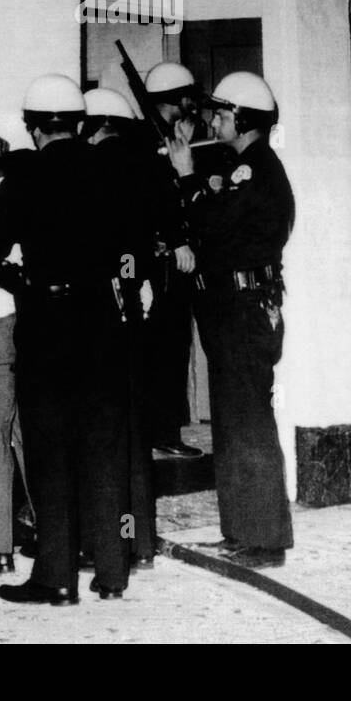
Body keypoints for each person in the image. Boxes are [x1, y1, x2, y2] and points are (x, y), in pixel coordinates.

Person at [0, 74, 133, 605]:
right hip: (103, 320)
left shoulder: (25, 178)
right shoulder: (110, 170)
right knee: (103, 446)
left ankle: (56, 576)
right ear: (79, 123)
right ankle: (111, 571)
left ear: (34, 128)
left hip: (49, 323)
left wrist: (23, 281)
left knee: (50, 451)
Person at [167, 71, 294, 569]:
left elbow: (212, 226)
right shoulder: (243, 167)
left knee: (248, 423)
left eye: (222, 113)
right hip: (233, 309)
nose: (214, 120)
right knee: (235, 423)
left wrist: (187, 176)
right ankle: (243, 530)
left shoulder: (254, 169)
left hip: (244, 310)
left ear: (242, 120)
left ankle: (263, 539)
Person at [82, 86, 179, 571]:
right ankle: (140, 541)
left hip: (96, 311)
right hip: (136, 304)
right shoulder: (148, 166)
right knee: (135, 430)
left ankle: (105, 546)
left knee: (101, 434)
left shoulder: (87, 168)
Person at [141, 61, 206, 459]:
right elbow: (158, 199)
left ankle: (164, 429)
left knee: (172, 347)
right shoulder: (147, 140)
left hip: (171, 262)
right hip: (162, 263)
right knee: (164, 348)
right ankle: (161, 432)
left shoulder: (170, 135)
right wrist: (177, 239)